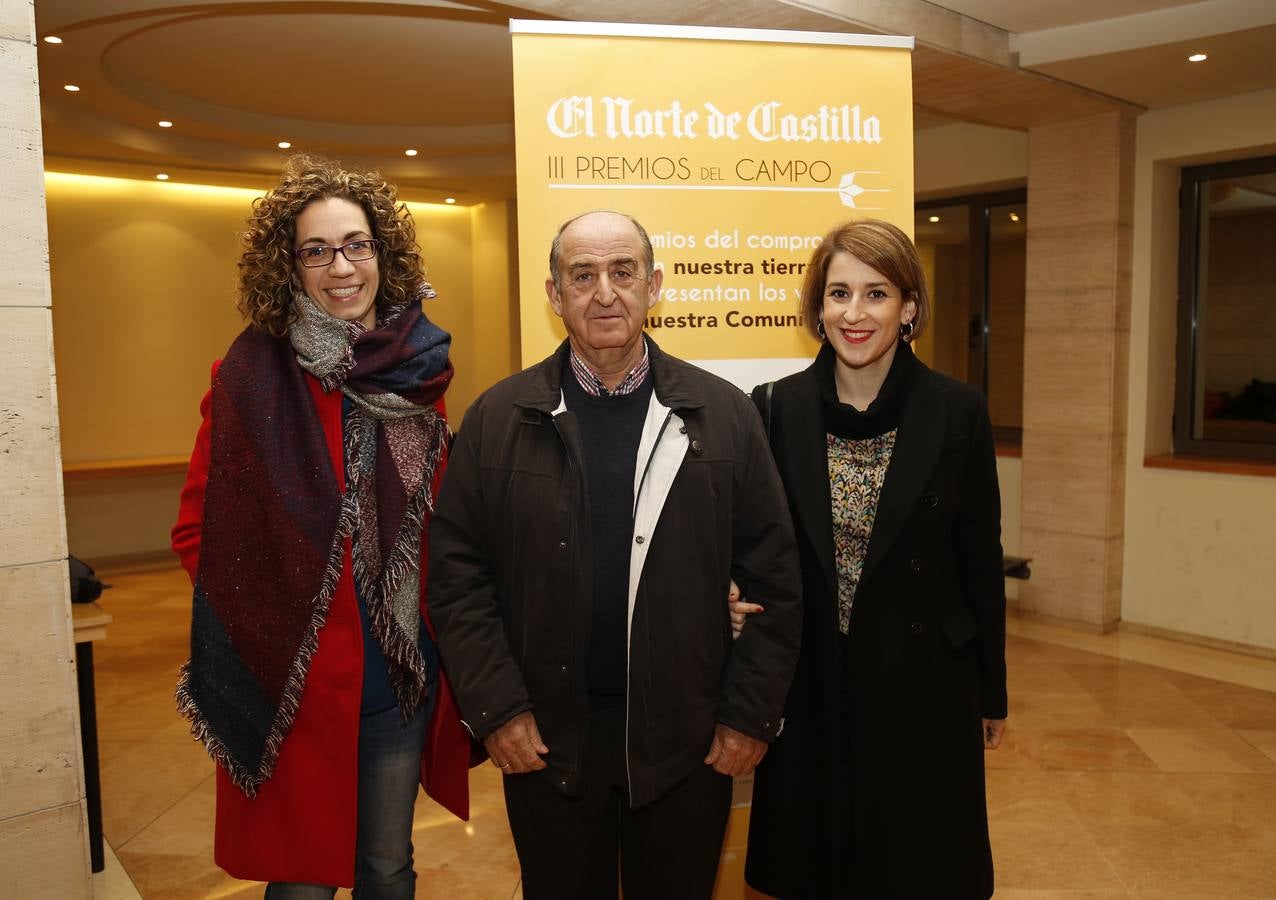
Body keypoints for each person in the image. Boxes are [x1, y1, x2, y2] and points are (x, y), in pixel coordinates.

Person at [425, 210, 803, 899]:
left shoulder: (723, 416)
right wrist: (498, 711)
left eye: (623, 272)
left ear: (653, 285)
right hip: (546, 740)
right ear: (554, 293)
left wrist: (748, 715)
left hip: (687, 742)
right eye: (583, 274)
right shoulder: (496, 419)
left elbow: (774, 576)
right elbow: (456, 580)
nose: (605, 292)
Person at [171, 155, 472, 898]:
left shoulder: (420, 375)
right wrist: (275, 617)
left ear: (383, 252)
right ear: (290, 265)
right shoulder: (249, 380)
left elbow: (437, 527)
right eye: (317, 249)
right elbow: (195, 534)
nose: (341, 266)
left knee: (386, 867)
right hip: (294, 686)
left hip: (398, 681)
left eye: (356, 244)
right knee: (302, 881)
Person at [744, 218, 1008, 899]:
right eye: (838, 294)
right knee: (815, 865)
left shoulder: (958, 411)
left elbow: (979, 553)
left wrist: (993, 689)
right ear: (817, 307)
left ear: (909, 307)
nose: (854, 314)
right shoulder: (772, 409)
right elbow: (749, 544)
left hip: (925, 683)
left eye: (876, 294)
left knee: (917, 866)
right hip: (811, 682)